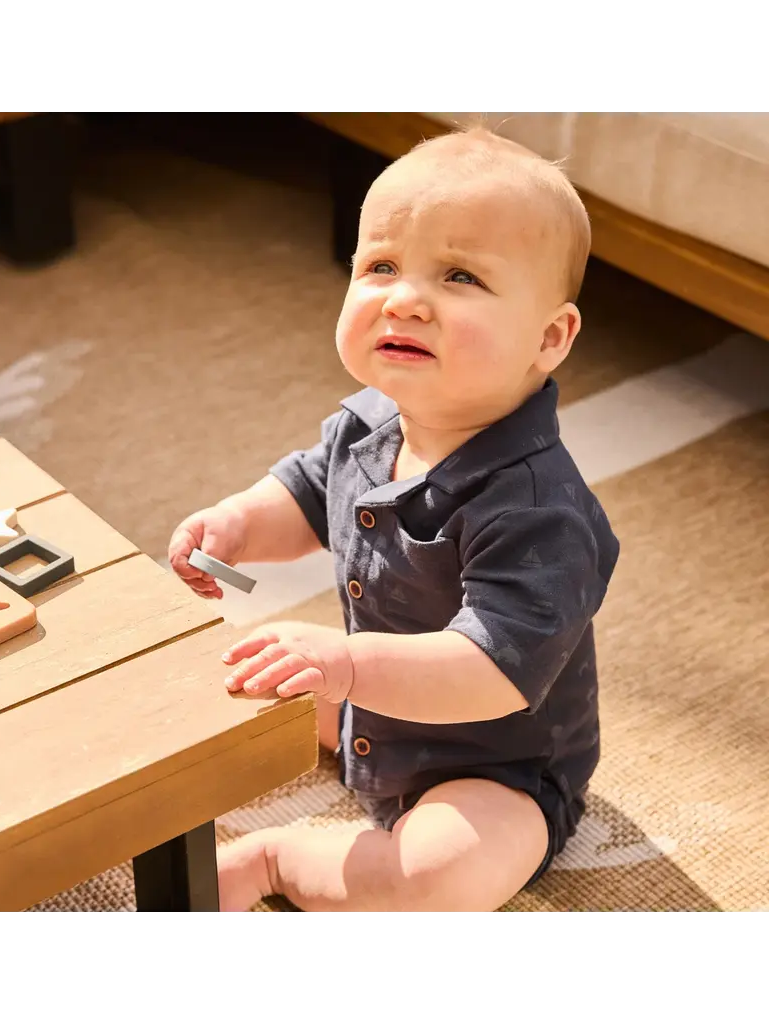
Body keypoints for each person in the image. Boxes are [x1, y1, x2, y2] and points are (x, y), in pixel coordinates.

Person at [168, 125, 620, 912]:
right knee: (220, 672)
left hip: (496, 768)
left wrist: (345, 665)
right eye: (380, 266)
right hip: (369, 704)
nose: (403, 299)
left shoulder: (540, 511)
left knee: (440, 878)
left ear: (549, 337)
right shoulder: (372, 421)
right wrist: (237, 523)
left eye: (459, 276)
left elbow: (488, 670)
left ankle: (275, 860)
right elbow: (309, 494)